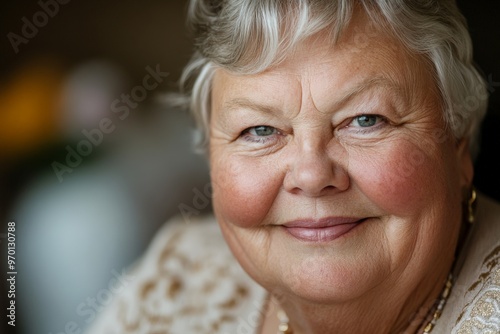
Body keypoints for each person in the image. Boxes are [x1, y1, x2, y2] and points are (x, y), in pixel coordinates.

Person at [88, 0, 500, 333]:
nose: (311, 175)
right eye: (260, 129)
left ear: (458, 144)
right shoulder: (177, 277)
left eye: (365, 120)